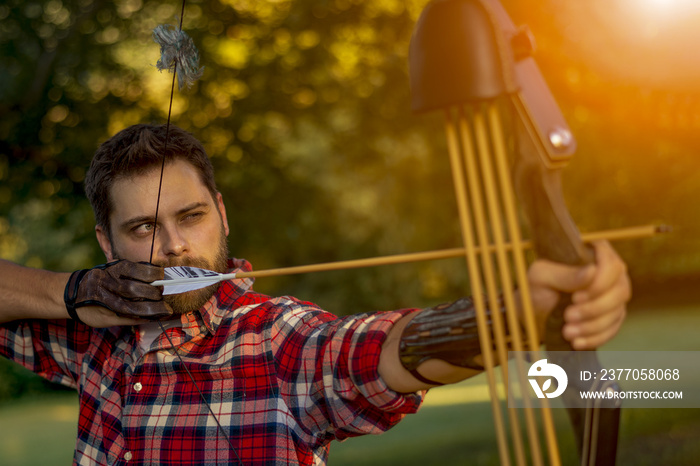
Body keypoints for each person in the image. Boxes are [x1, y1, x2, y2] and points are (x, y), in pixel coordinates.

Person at [0, 124, 630, 465]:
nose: (173, 248)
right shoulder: (88, 336)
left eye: (190, 217)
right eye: (143, 228)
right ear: (107, 243)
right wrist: (74, 292)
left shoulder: (277, 340)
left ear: (221, 214)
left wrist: (515, 315)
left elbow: (378, 352)